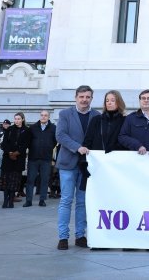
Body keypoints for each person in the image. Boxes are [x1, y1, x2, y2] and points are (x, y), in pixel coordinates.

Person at [55, 85, 100, 250]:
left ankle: (81, 235)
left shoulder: (96, 115)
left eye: (88, 97)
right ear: (76, 97)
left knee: (82, 202)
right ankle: (63, 237)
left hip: (86, 166)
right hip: (68, 163)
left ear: (91, 98)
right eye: (81, 97)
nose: (84, 100)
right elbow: (60, 135)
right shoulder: (65, 114)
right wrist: (77, 147)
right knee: (66, 200)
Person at [24, 110, 57, 207]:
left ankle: (42, 200)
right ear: (40, 116)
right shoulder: (33, 128)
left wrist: (48, 147)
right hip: (33, 158)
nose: (43, 117)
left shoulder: (53, 128)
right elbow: (28, 141)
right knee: (30, 179)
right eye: (42, 115)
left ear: (49, 117)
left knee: (44, 179)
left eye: (45, 115)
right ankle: (28, 200)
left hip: (46, 158)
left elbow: (54, 141)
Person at [0, 112, 31, 208]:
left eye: (18, 119)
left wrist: (16, 153)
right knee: (6, 180)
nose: (16, 120)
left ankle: (11, 200)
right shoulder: (9, 129)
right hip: (7, 159)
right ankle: (5, 200)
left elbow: (26, 144)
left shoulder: (26, 130)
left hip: (18, 158)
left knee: (14, 181)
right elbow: (4, 144)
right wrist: (9, 152)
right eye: (15, 119)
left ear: (22, 119)